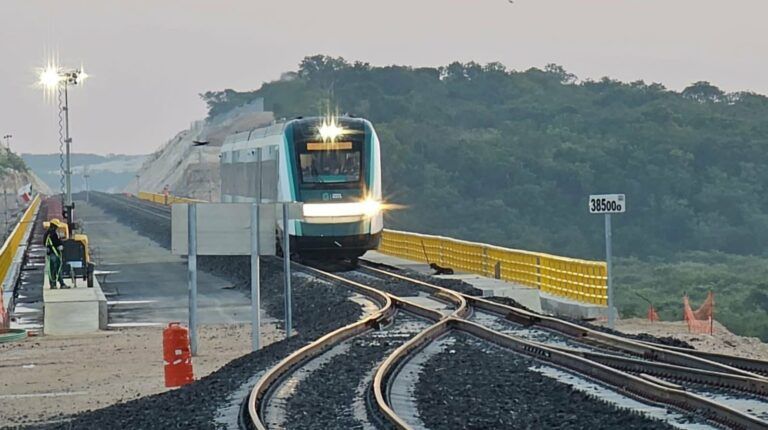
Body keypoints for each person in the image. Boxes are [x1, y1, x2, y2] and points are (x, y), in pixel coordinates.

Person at [43, 219, 67, 289]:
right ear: (54, 226)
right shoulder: (53, 234)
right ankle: (62, 284)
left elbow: (44, 243)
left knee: (52, 269)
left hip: (50, 254)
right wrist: (60, 246)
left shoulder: (46, 234)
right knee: (58, 269)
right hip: (55, 253)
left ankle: (53, 284)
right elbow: (56, 242)